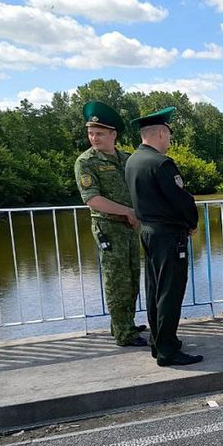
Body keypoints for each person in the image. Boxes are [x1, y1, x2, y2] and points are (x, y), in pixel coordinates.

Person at [124, 107, 203, 367]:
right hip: (168, 235)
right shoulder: (161, 163)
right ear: (160, 133)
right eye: (168, 135)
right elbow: (180, 200)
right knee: (170, 291)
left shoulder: (133, 160)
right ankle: (168, 350)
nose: (169, 140)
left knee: (154, 289)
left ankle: (159, 341)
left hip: (148, 232)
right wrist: (192, 222)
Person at [73, 100, 146, 348]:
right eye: (91, 133)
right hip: (108, 228)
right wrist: (127, 211)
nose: (94, 138)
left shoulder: (126, 158)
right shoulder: (86, 162)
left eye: (100, 133)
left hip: (129, 227)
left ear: (113, 134)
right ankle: (124, 334)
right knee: (116, 280)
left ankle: (126, 323)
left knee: (133, 276)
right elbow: (92, 200)